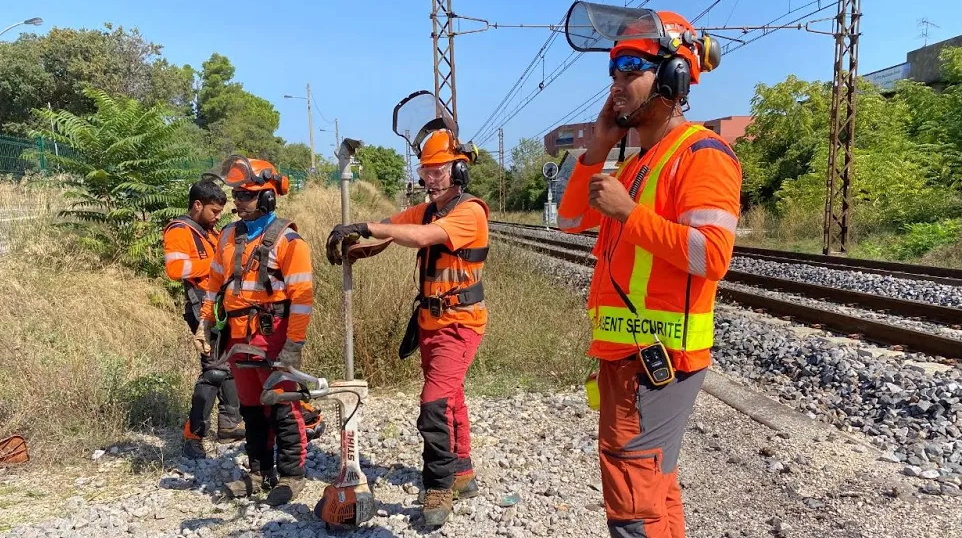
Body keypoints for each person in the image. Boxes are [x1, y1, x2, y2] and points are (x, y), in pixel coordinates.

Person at [556, 9, 741, 538]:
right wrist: (597, 146)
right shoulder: (634, 163)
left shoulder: (704, 156)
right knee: (656, 493)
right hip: (626, 358)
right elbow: (570, 220)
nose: (616, 83)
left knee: (632, 508)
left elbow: (712, 256)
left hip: (657, 361)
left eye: (631, 68)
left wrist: (628, 215)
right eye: (613, 71)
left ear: (672, 77)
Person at [326, 127, 488, 527]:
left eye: (437, 170)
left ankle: (438, 485)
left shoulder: (469, 212)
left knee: (433, 402)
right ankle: (462, 469)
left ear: (460, 171)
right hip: (431, 321)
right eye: (425, 170)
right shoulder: (429, 209)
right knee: (450, 397)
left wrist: (366, 228)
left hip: (460, 323)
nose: (428, 178)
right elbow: (392, 229)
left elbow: (418, 237)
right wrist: (355, 247)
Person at [195, 156, 315, 506]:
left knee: (281, 404)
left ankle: (292, 475)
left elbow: (302, 299)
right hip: (237, 335)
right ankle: (260, 472)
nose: (237, 203)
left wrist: (293, 344)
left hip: (272, 333)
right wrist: (204, 322)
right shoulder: (230, 236)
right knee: (249, 407)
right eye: (237, 196)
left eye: (245, 196)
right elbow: (215, 283)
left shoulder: (289, 242)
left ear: (267, 198)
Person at [163, 178, 244, 460]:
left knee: (228, 363)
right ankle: (193, 435)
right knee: (214, 370)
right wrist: (216, 265)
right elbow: (175, 268)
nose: (218, 216)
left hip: (219, 305)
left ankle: (230, 423)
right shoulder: (179, 230)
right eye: (214, 210)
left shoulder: (210, 232)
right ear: (197, 205)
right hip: (201, 309)